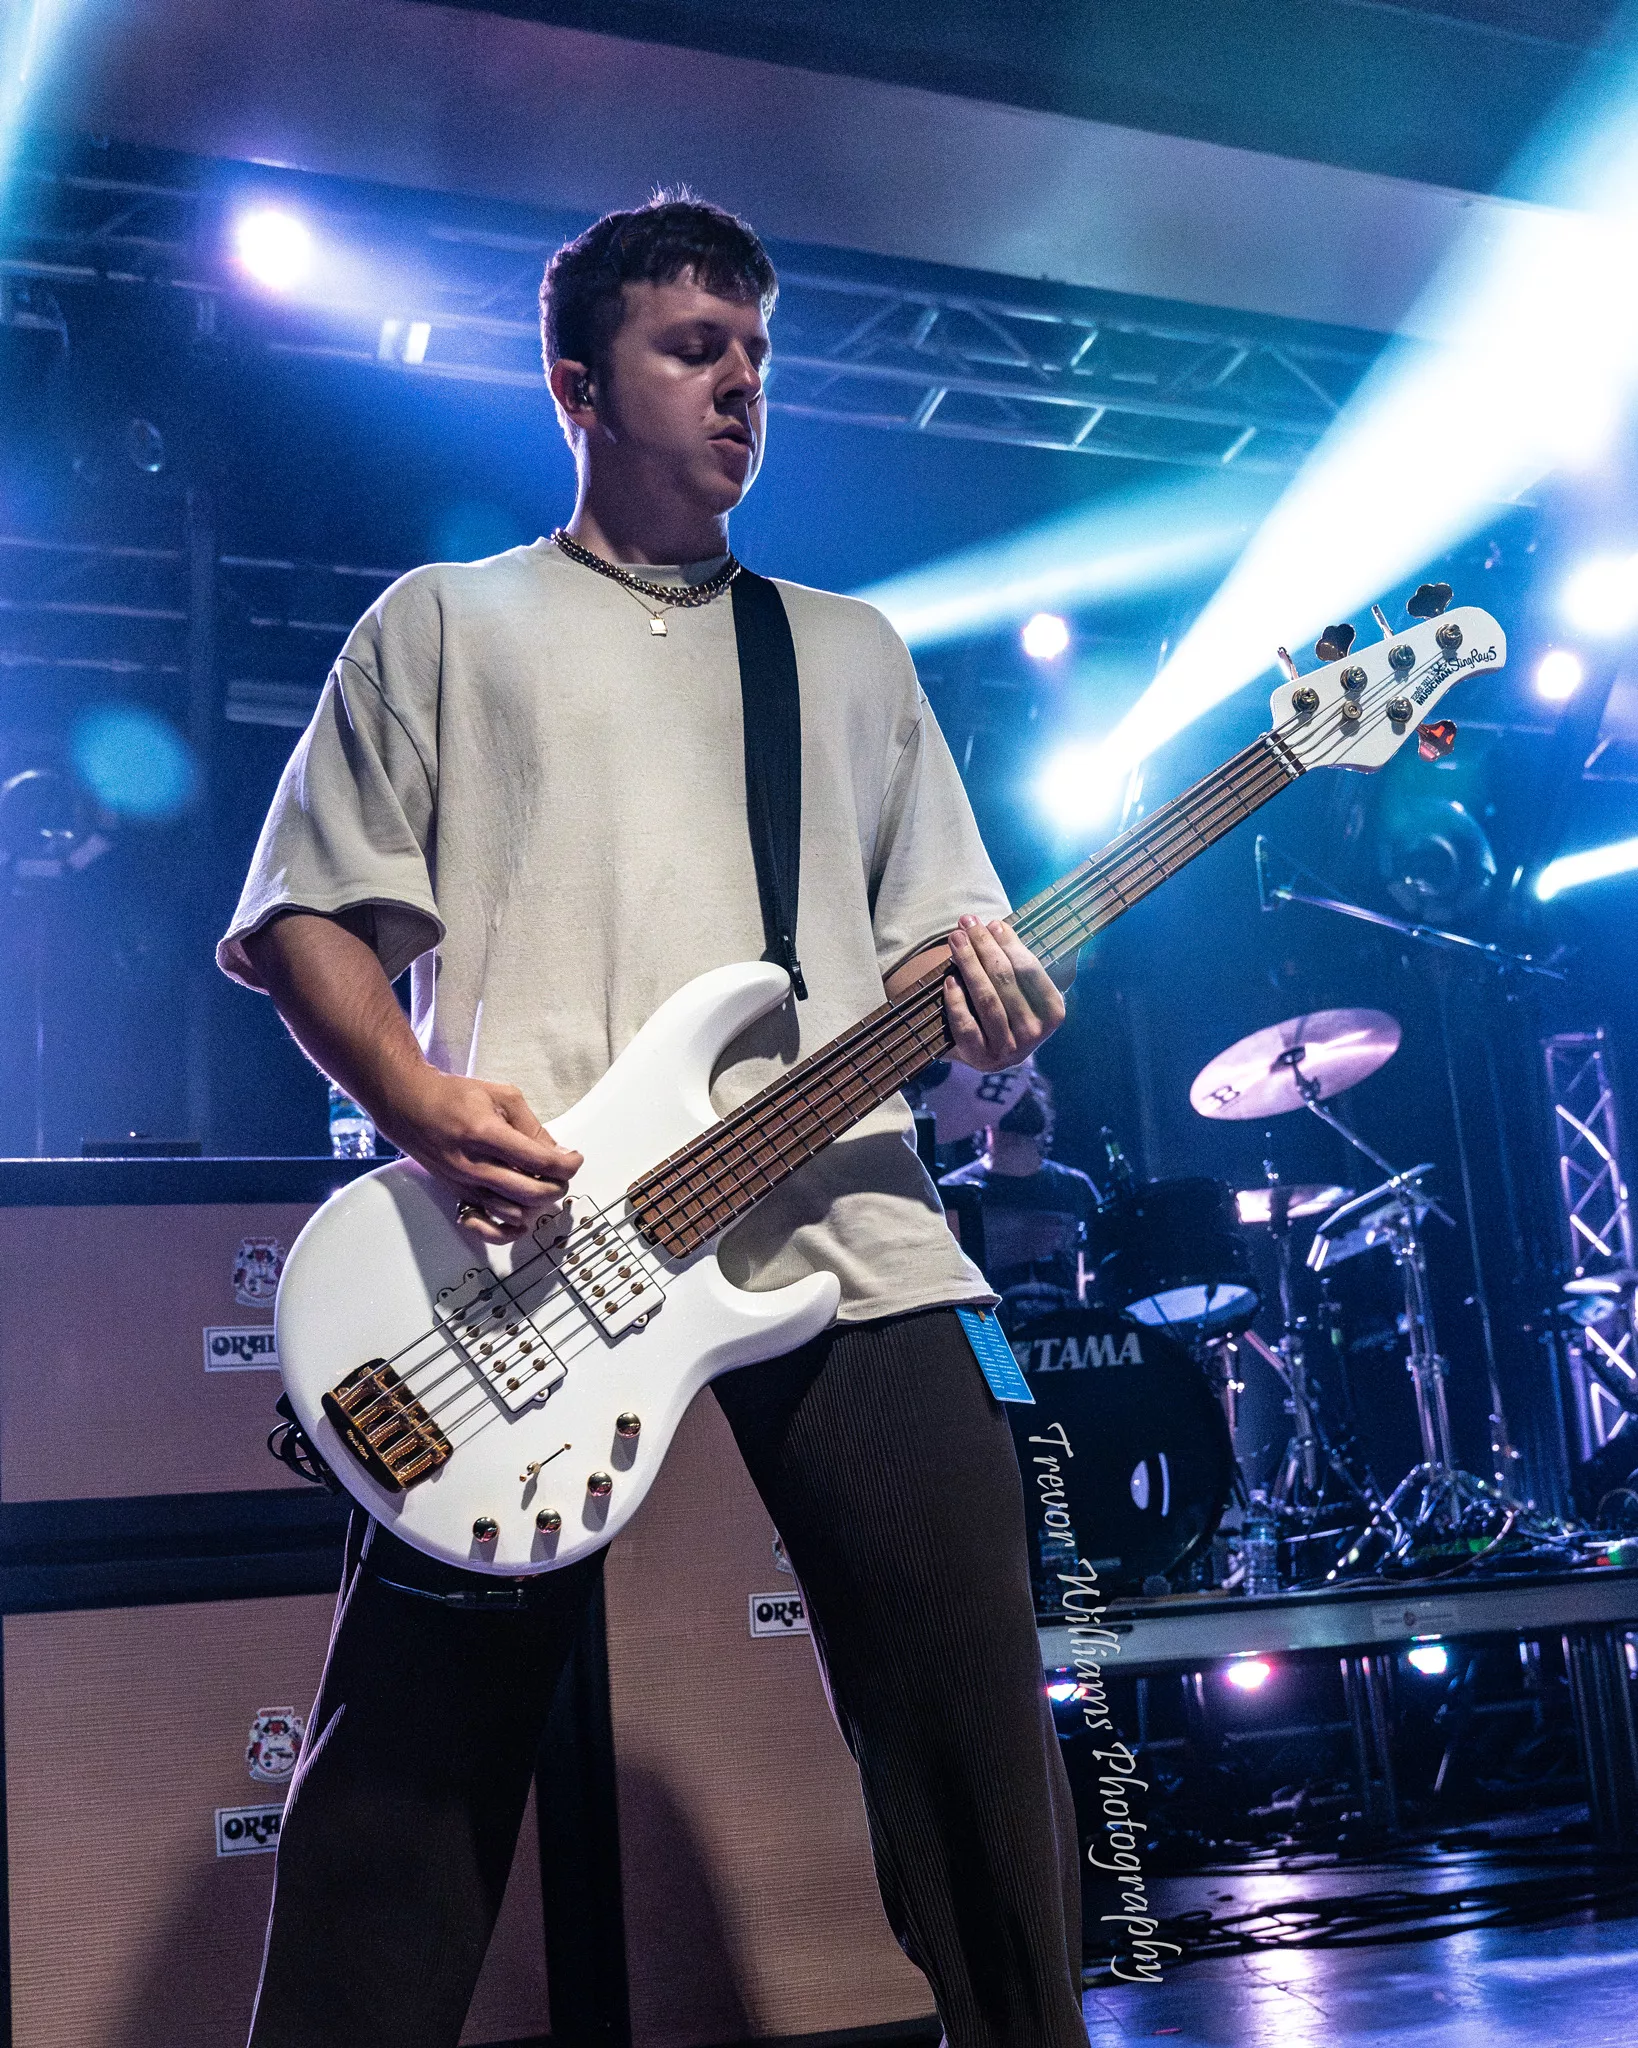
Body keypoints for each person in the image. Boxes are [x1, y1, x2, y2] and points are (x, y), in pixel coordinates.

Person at [218, 194, 1085, 2048]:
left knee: (977, 1732)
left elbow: (935, 949)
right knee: (405, 1784)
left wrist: (989, 1004)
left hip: (846, 1228)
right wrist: (418, 1101)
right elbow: (301, 922)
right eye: (695, 348)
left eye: (756, 353)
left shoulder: (846, 650)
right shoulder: (444, 623)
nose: (739, 384)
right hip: (533, 1259)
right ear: (577, 387)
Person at [939, 1070, 1101, 1315]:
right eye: (1008, 1094)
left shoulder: (1075, 1186)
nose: (1016, 1103)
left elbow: (1099, 1266)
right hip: (990, 1325)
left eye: (1025, 1092)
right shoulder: (954, 1191)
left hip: (1068, 1326)